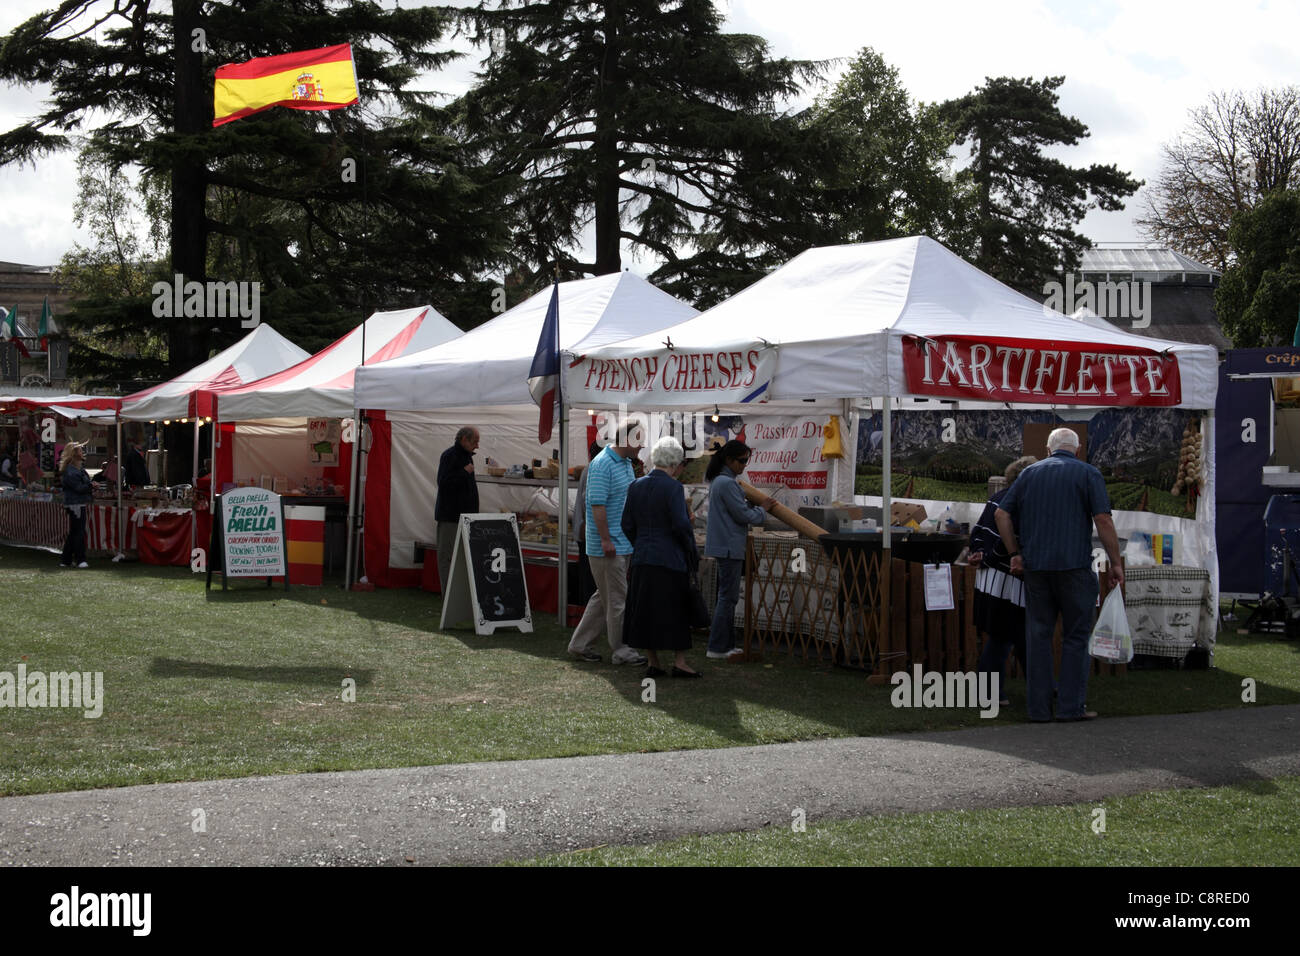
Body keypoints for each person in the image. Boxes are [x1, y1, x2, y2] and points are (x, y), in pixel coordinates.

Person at [996, 428, 1124, 722]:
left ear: (1048, 449)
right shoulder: (1088, 473)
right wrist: (1115, 562)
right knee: (1076, 637)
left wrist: (1015, 553)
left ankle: (1038, 710)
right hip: (1074, 566)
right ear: (1077, 450)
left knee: (1038, 637)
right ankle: (1070, 707)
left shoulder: (1029, 474)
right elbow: (1102, 519)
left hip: (1037, 568)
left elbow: (1001, 514)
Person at [622, 436, 702, 678]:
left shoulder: (635, 486)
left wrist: (640, 544)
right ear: (675, 463)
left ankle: (653, 661)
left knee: (645, 610)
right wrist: (689, 546)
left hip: (642, 558)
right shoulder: (674, 488)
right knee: (676, 610)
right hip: (670, 559)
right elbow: (680, 524)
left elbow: (627, 524)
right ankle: (680, 662)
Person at [567, 423, 646, 665]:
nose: (642, 445)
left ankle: (579, 645)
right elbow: (597, 505)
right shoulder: (602, 464)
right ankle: (622, 650)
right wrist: (605, 539)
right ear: (626, 440)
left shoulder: (624, 464)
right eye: (639, 440)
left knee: (604, 597)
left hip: (620, 543)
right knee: (617, 599)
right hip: (609, 545)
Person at [968, 455, 1038, 706]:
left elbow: (977, 533)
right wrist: (996, 555)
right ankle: (989, 693)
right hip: (1008, 581)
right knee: (1006, 637)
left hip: (990, 579)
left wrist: (978, 553)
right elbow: (1008, 541)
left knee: (1013, 636)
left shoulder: (997, 498)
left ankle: (1040, 688)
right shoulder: (1019, 501)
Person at [704, 439, 774, 660]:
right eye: (742, 461)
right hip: (729, 546)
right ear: (729, 460)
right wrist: (762, 510)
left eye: (746, 460)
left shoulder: (720, 481)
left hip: (725, 545)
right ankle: (718, 647)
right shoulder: (727, 483)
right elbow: (743, 516)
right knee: (728, 598)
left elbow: (738, 512)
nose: (745, 465)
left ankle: (724, 646)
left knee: (726, 597)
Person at [434, 426, 480, 592]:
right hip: (450, 517)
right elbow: (443, 483)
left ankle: (459, 594)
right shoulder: (449, 456)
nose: (477, 446)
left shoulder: (467, 457)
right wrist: (463, 472)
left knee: (462, 558)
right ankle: (448, 595)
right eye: (475, 442)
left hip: (465, 517)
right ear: (464, 440)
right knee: (447, 557)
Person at [59, 441, 93, 568]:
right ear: (74, 454)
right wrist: (90, 485)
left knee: (74, 532)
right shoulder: (71, 471)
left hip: (77, 503)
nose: (82, 452)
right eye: (80, 451)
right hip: (75, 504)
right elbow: (78, 488)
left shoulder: (77, 469)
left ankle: (66, 559)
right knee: (78, 532)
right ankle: (80, 559)